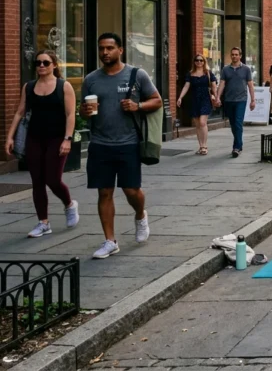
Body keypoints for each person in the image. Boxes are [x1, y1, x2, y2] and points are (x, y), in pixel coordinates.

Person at [79, 33, 161, 259]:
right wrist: (83, 112)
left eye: (110, 48)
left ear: (120, 50)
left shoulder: (136, 75)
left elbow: (157, 100)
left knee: (131, 190)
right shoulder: (91, 79)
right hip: (100, 143)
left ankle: (140, 215)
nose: (105, 52)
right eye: (101, 48)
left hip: (128, 143)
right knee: (104, 192)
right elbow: (83, 112)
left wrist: (138, 105)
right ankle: (110, 241)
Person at [5, 51, 79, 238]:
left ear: (54, 65)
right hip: (34, 138)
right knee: (37, 181)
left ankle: (69, 204)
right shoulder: (29, 87)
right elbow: (20, 112)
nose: (41, 66)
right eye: (38, 63)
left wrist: (67, 139)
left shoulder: (64, 86)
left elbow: (71, 115)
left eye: (46, 62)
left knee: (53, 180)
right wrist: (10, 137)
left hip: (57, 138)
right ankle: (43, 222)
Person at [215, 47, 256, 157]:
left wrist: (253, 100)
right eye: (232, 54)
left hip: (241, 100)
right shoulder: (225, 69)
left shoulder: (246, 69)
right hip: (229, 100)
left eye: (236, 54)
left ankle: (236, 147)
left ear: (240, 56)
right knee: (233, 124)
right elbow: (222, 84)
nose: (234, 56)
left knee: (238, 123)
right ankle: (239, 143)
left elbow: (250, 85)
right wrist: (218, 97)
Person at [176, 55, 218, 153]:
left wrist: (216, 97)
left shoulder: (208, 73)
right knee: (198, 124)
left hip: (205, 99)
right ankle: (200, 146)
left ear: (204, 62)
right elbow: (186, 86)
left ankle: (205, 146)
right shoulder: (190, 74)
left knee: (203, 122)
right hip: (194, 100)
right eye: (197, 60)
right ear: (194, 62)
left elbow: (214, 86)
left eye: (201, 60)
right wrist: (180, 97)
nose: (199, 62)